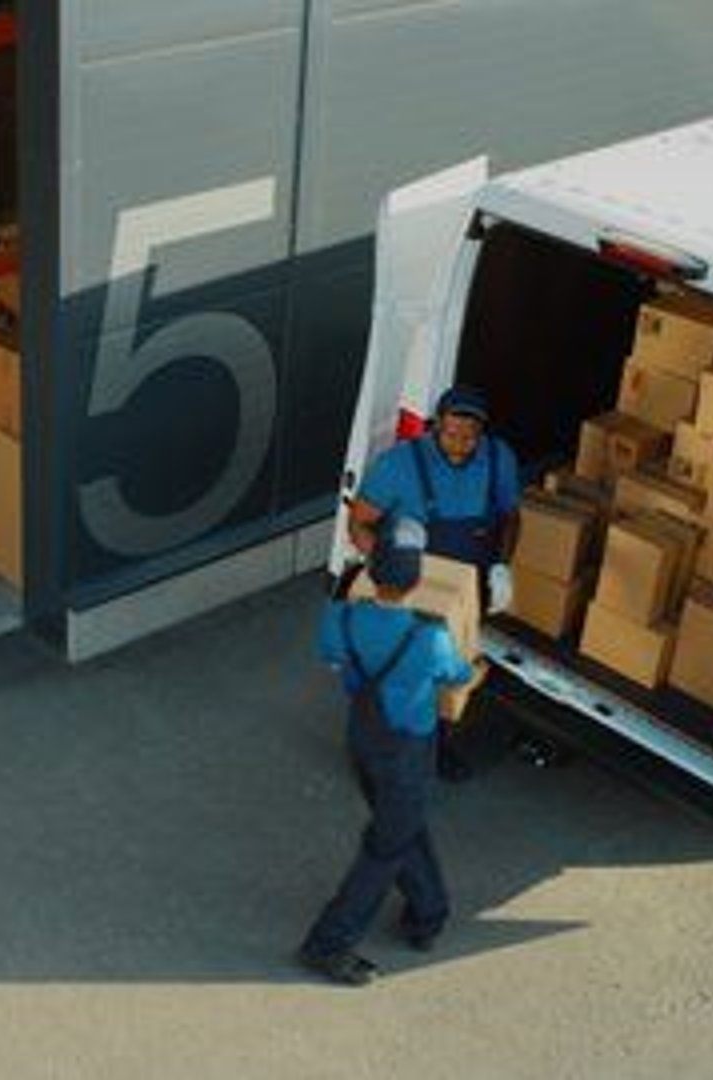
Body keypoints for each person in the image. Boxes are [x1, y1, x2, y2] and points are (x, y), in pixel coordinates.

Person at [299, 521, 478, 987]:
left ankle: (428, 913)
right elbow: (457, 676)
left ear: (371, 573)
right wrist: (474, 665)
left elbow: (333, 658)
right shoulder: (428, 639)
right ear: (416, 582)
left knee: (401, 827)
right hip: (407, 752)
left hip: (363, 738)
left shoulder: (339, 617)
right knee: (385, 847)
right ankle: (327, 943)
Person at [346, 385, 521, 781]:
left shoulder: (498, 459)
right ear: (435, 426)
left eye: (470, 436)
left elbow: (511, 517)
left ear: (483, 433)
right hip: (410, 587)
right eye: (452, 434)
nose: (461, 444)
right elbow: (360, 521)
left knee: (449, 676)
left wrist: (502, 567)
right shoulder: (399, 465)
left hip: (465, 592)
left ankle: (435, 747)